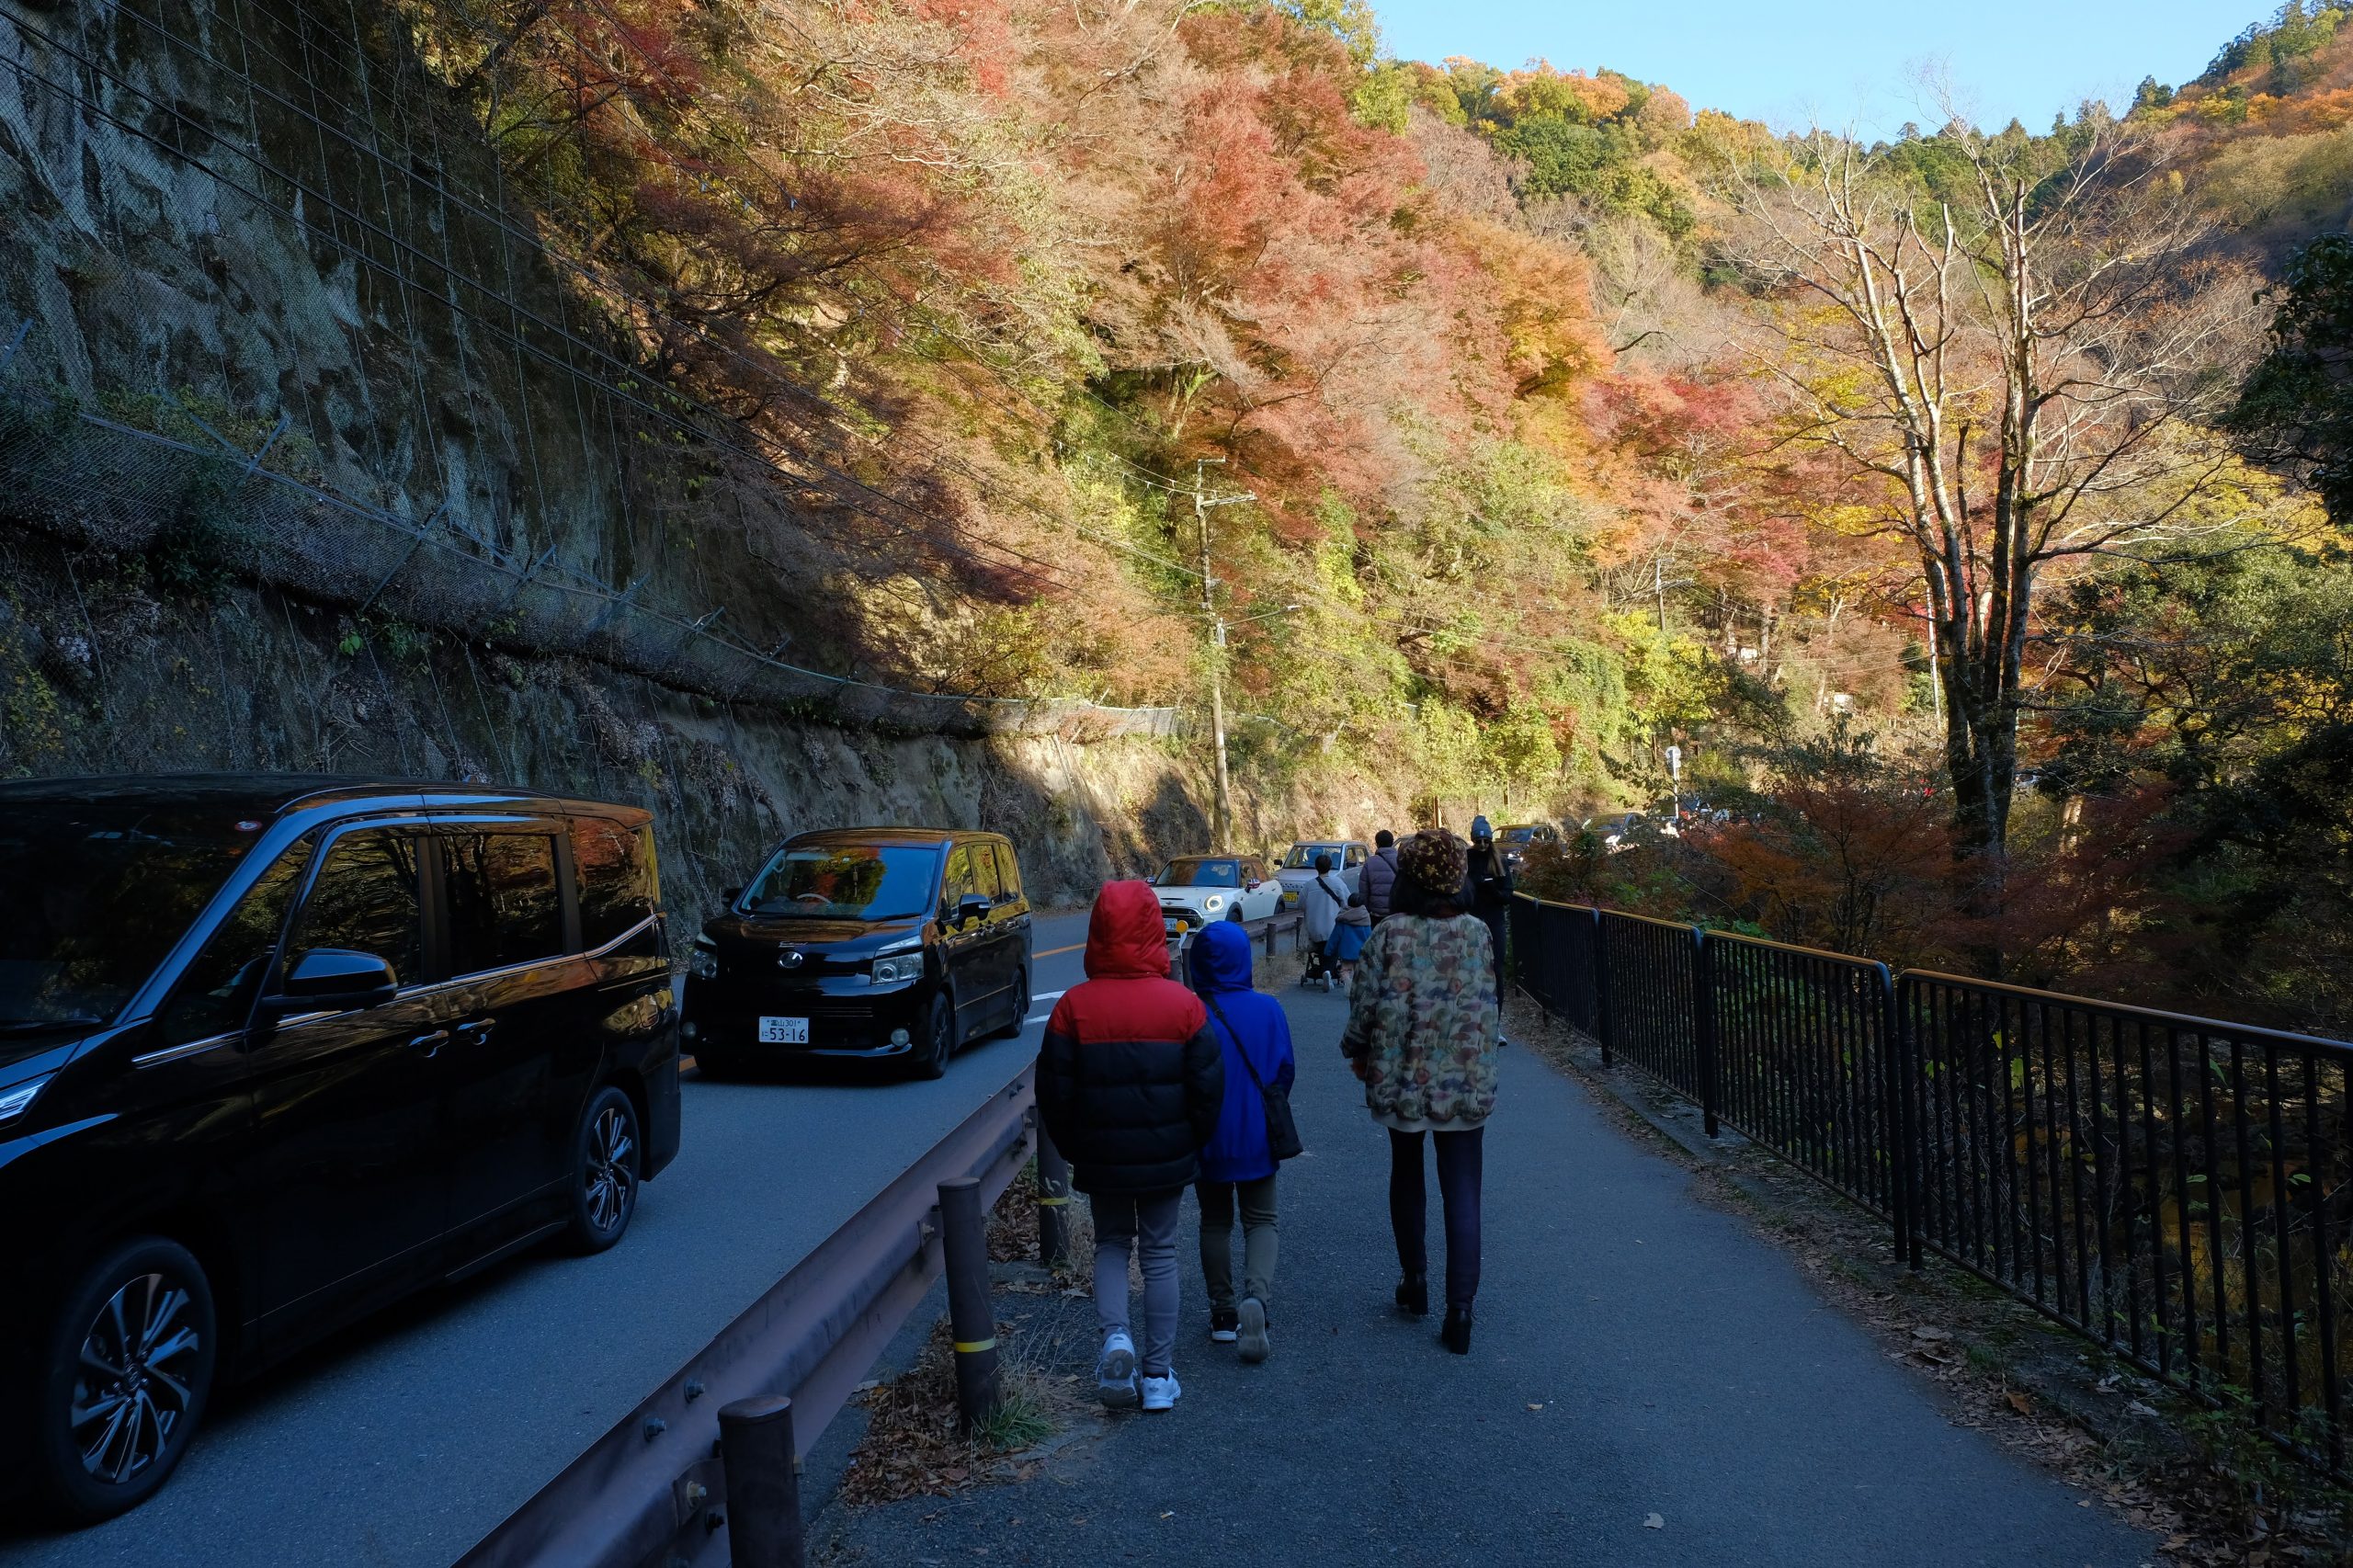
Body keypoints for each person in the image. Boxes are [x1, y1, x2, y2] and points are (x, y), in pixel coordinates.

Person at [1040, 881, 1225, 1412]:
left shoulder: (1073, 1009)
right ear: (1154, 931)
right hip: (1168, 1156)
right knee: (1161, 1252)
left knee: (1113, 1245)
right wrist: (1190, 1142)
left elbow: (1054, 1092)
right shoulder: (1185, 1006)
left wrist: (1077, 1147)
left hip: (1101, 1156)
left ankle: (1115, 1341)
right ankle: (1159, 1377)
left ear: (1097, 931)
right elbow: (1209, 1089)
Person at [1339, 829, 1500, 1356]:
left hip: (1403, 1076)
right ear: (1457, 876)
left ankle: (1415, 1281)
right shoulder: (1477, 933)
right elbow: (1488, 1000)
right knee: (1464, 1189)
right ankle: (1462, 1311)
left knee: (1405, 1172)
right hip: (1465, 1079)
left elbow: (1363, 1005)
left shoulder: (1390, 934)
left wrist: (1356, 1048)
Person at [1188, 918, 1296, 1365]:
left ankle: (1222, 1313)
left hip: (1206, 1134)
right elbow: (1284, 1072)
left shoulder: (1190, 1013)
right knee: (1261, 1219)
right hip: (1256, 1133)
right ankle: (1257, 1300)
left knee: (1214, 1222)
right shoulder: (1268, 1009)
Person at [1463, 815, 1513, 972]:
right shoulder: (1466, 859)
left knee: (1496, 966)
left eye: (1486, 840)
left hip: (1495, 919)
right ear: (1473, 840)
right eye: (1479, 841)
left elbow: (1508, 894)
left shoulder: (1500, 862)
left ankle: (1498, 996)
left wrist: (1494, 890)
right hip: (1473, 919)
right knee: (1474, 966)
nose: (1483, 845)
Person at [1329, 891, 1371, 983]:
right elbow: (1370, 937)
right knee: (1360, 971)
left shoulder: (1342, 918)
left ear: (1349, 903)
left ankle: (1347, 985)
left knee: (1345, 971)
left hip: (1346, 952)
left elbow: (1335, 937)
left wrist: (1329, 950)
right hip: (1361, 953)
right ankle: (1358, 988)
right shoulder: (1365, 918)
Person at [1361, 830, 1401, 923]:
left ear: (1377, 844)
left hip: (1376, 912)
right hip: (1397, 911)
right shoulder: (1402, 859)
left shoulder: (1370, 862)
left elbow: (1364, 890)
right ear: (1392, 842)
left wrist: (1366, 908)